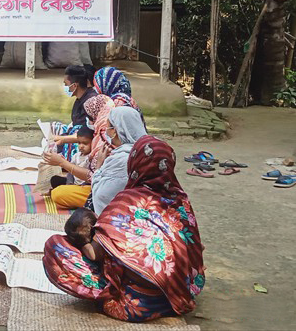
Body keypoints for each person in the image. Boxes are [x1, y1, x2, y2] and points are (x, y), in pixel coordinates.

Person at [43, 136, 205, 322]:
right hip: (181, 293)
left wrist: (84, 241)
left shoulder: (126, 202)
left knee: (54, 246)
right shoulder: (181, 201)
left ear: (135, 164)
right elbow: (195, 249)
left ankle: (118, 292)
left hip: (136, 305)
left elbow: (96, 253)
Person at [45, 95, 115, 209]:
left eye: (91, 117)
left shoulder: (106, 141)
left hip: (105, 191)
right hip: (95, 184)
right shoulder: (100, 134)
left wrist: (62, 163)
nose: (90, 121)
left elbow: (94, 177)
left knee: (58, 194)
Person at [90, 106, 147, 215]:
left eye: (108, 127)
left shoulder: (122, 158)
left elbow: (102, 196)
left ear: (115, 131)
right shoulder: (148, 148)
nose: (106, 131)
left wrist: (98, 166)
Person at [50, 66, 97, 162]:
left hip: (85, 137)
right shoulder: (79, 99)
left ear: (75, 86)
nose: (65, 87)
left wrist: (62, 139)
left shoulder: (90, 102)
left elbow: (86, 131)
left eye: (66, 84)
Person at [49, 124, 94, 189]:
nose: (81, 146)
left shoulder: (92, 157)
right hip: (74, 184)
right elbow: (70, 172)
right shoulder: (76, 156)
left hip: (85, 186)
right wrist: (69, 184)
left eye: (85, 143)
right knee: (55, 179)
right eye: (79, 143)